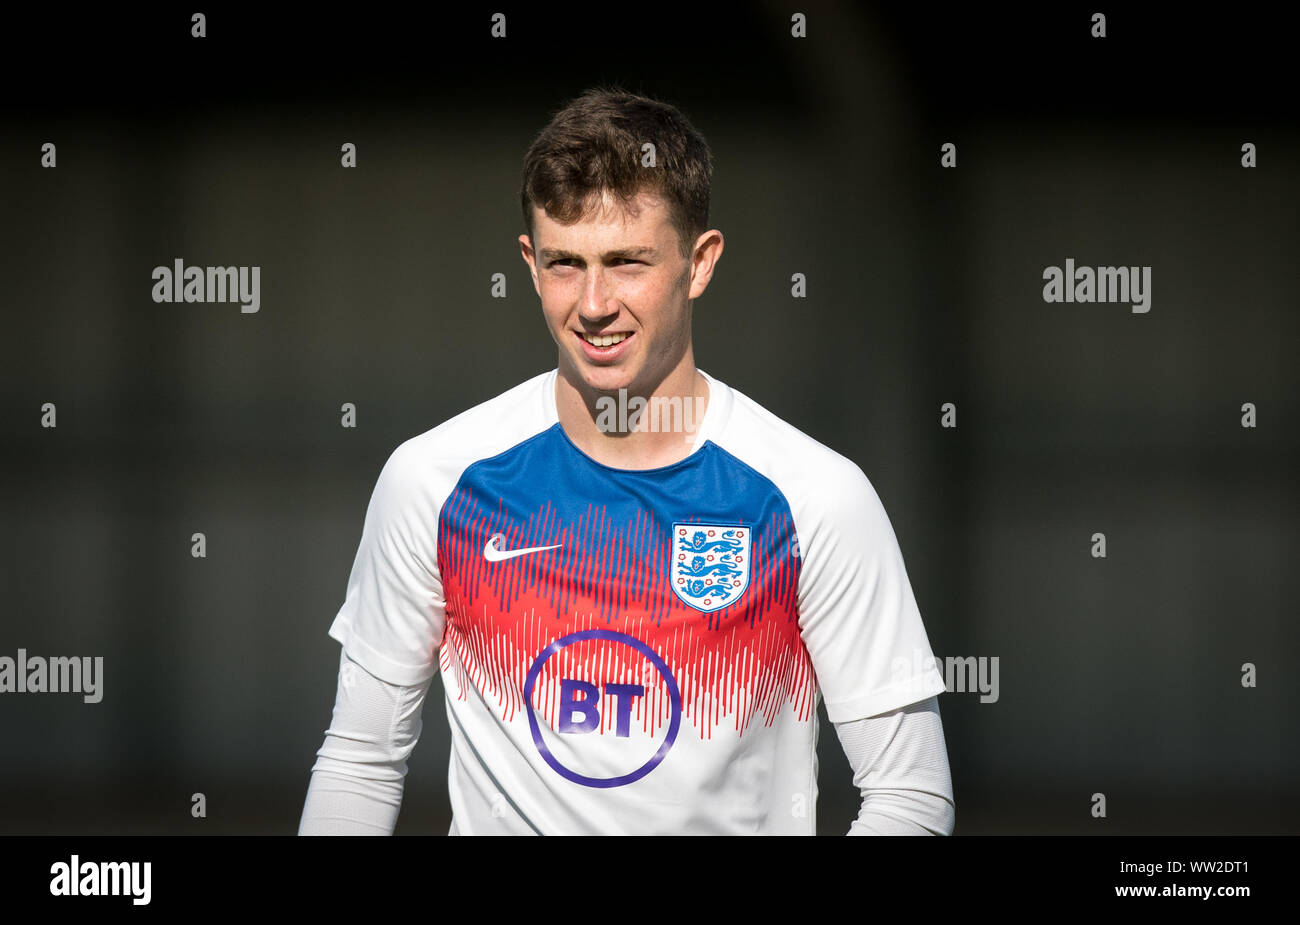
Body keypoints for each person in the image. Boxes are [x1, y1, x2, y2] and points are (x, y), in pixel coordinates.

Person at [298, 87, 955, 835]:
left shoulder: (814, 497)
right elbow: (360, 760)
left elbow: (910, 796)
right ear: (530, 261)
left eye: (627, 261)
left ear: (699, 263)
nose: (595, 302)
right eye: (565, 264)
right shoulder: (434, 481)